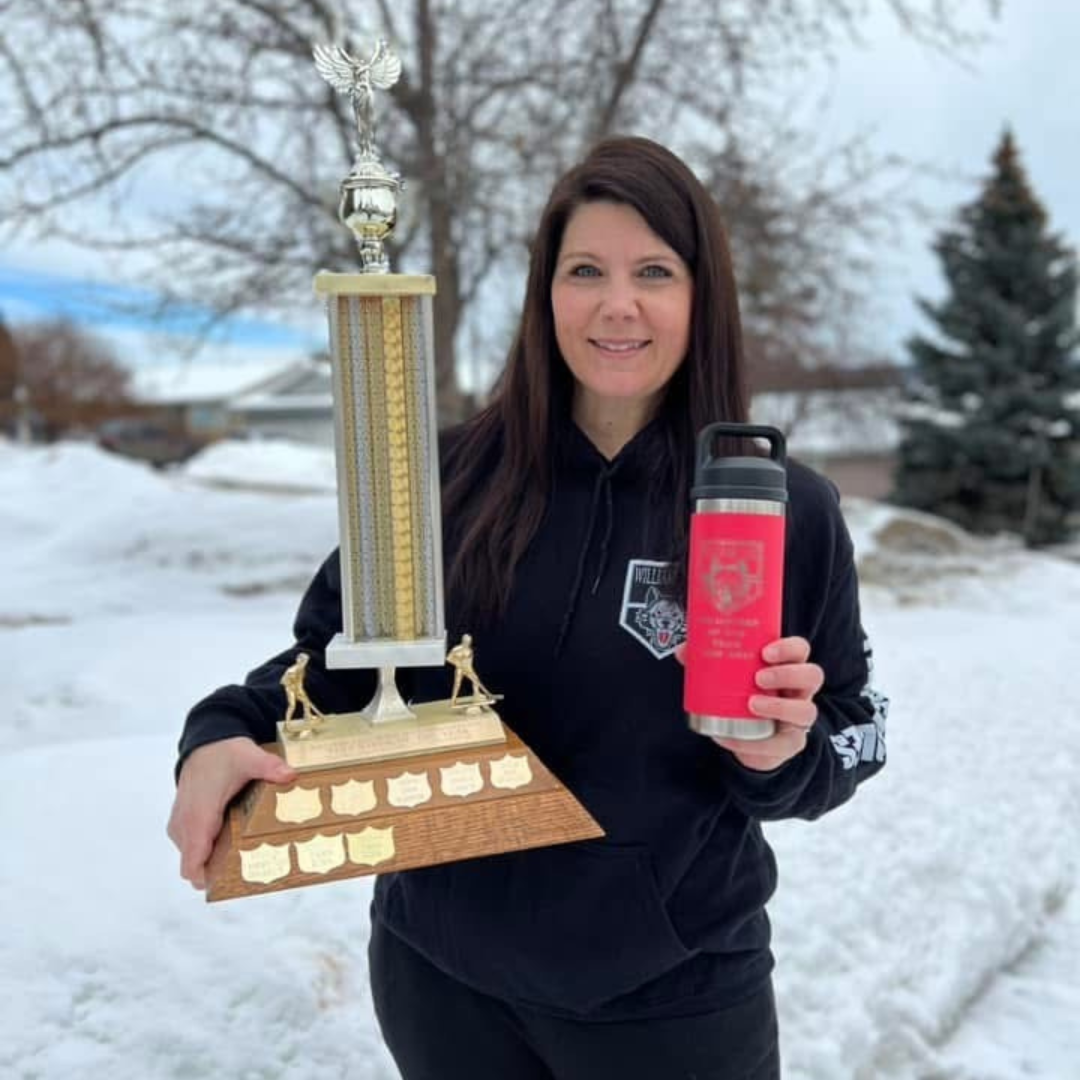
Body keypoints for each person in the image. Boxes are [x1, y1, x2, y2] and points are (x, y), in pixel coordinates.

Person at [167, 136, 888, 1080]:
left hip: (672, 999)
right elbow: (334, 661)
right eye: (584, 269)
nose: (616, 304)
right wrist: (220, 732)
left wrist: (787, 757)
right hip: (441, 984)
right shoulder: (445, 478)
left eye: (654, 271)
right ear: (545, 294)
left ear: (701, 296)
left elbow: (859, 728)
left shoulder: (777, 505)